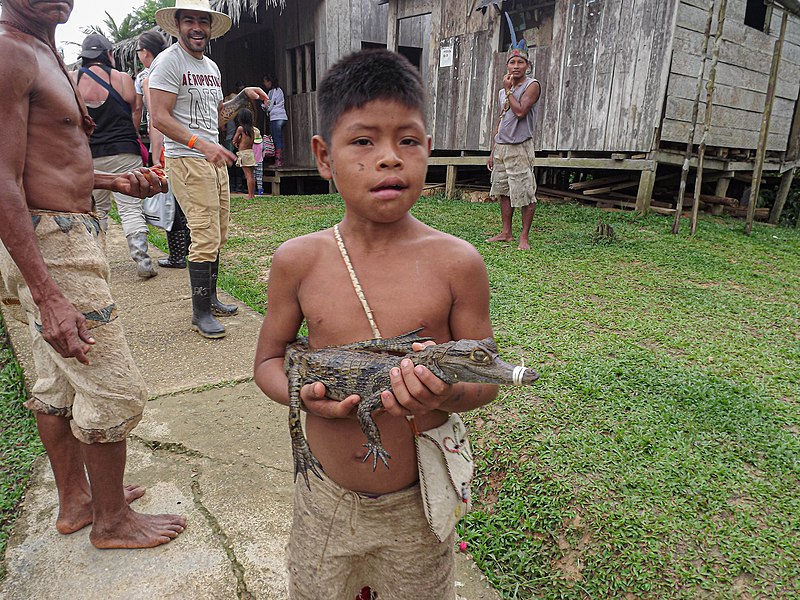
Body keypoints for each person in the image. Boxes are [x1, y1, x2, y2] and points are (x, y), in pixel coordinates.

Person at [253, 49, 498, 599]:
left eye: (407, 141)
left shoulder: (458, 263)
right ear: (323, 156)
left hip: (416, 506)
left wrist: (443, 394)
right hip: (324, 498)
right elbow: (269, 362)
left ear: (428, 150)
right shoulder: (299, 260)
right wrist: (302, 396)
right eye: (363, 141)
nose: (389, 158)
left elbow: (485, 376)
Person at [0, 0, 186, 548]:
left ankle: (79, 501)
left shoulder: (42, 51)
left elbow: (45, 162)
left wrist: (113, 185)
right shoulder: (10, 52)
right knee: (115, 388)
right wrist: (49, 294)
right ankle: (112, 522)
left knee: (54, 381)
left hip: (55, 234)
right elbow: (3, 179)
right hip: (48, 247)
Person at [148, 0, 268, 339]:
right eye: (190, 21)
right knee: (203, 234)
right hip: (187, 159)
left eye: (203, 21)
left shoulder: (211, 68)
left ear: (210, 27)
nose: (197, 27)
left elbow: (215, 116)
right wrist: (200, 145)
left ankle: (211, 298)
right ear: (178, 25)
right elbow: (159, 116)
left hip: (212, 158)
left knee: (218, 231)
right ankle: (199, 313)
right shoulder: (168, 63)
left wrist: (242, 96)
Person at [74, 33, 158, 277]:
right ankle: (142, 260)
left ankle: (98, 260)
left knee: (97, 208)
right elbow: (135, 109)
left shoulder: (72, 79)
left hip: (91, 154)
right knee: (130, 206)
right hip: (124, 150)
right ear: (109, 54)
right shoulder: (121, 78)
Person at [136, 29, 192, 269]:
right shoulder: (177, 68)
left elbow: (157, 120)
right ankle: (186, 249)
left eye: (139, 51)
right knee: (184, 199)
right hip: (187, 144)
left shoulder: (151, 77)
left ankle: (178, 255)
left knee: (173, 201)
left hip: (170, 146)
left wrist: (156, 155)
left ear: (145, 52)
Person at [485, 40, 541, 251]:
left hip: (520, 146)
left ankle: (524, 237)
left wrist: (508, 90)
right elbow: (502, 119)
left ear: (527, 65)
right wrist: (493, 150)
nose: (516, 66)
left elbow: (520, 112)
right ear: (507, 65)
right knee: (504, 190)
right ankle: (506, 233)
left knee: (525, 192)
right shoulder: (503, 91)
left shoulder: (532, 85)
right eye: (512, 62)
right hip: (502, 146)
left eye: (520, 62)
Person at [261, 73, 287, 167]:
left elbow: (269, 105)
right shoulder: (279, 90)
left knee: (277, 139)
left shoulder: (272, 92)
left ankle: (278, 162)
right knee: (278, 138)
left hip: (276, 117)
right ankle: (279, 160)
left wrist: (263, 107)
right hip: (282, 116)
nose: (264, 84)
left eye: (265, 82)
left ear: (269, 81)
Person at [232, 108, 258, 199]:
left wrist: (237, 142)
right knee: (251, 175)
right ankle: (252, 194)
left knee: (248, 175)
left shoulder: (240, 128)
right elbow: (253, 140)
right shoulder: (252, 129)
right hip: (250, 152)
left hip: (243, 153)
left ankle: (250, 196)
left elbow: (234, 140)